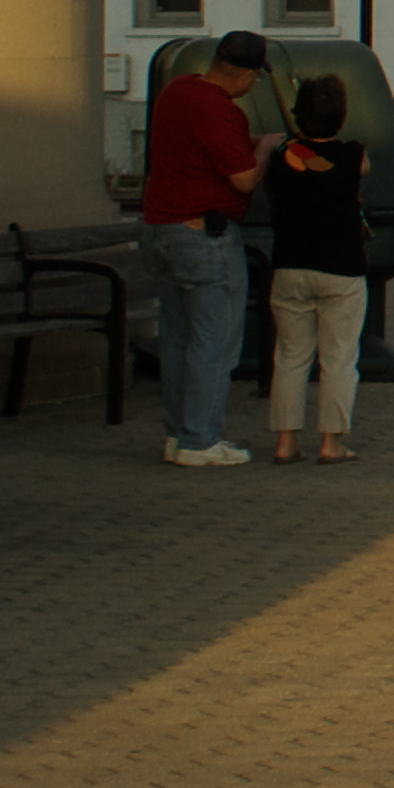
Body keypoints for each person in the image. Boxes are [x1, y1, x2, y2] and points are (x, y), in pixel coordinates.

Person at [140, 31, 267, 468]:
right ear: (248, 75)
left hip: (160, 228)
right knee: (215, 343)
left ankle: (177, 434)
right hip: (204, 234)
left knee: (176, 338)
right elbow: (243, 179)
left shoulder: (177, 92)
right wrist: (265, 150)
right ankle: (201, 439)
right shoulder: (220, 111)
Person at [263, 73, 370, 466]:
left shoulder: (283, 156)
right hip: (342, 268)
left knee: (291, 356)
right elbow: (355, 173)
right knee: (339, 358)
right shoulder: (354, 154)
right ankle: (331, 442)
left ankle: (286, 442)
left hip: (290, 265)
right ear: (340, 116)